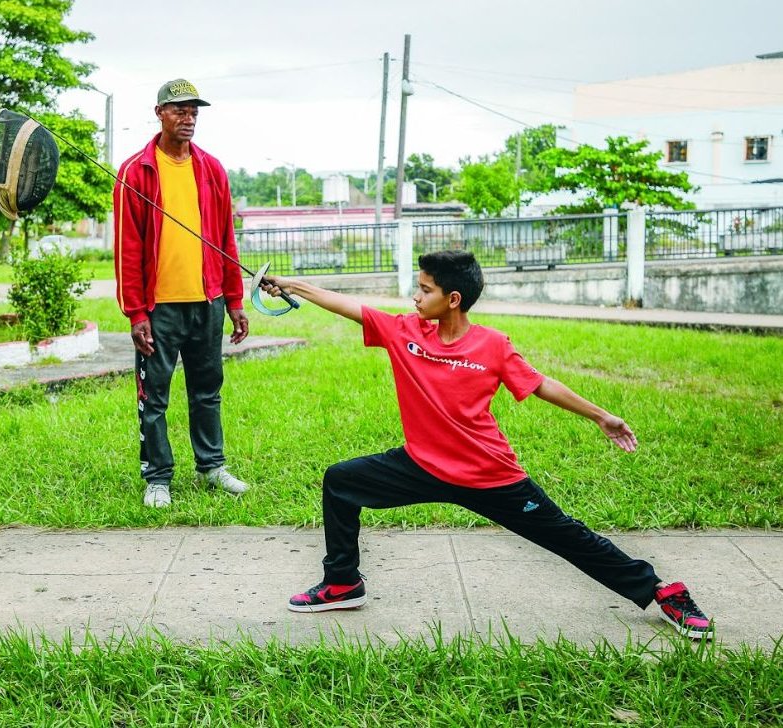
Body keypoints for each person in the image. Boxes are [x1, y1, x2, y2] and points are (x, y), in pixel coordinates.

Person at [262, 250, 714, 640]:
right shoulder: (405, 332)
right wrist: (290, 285)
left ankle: (662, 592)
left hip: (489, 474)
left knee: (569, 537)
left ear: (452, 299)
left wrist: (602, 415)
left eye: (423, 290)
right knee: (341, 481)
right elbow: (346, 305)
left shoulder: (492, 346)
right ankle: (342, 583)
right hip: (421, 464)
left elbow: (540, 385)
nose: (414, 298)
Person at [113, 78, 249, 508]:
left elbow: (225, 239)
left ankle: (212, 466)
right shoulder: (137, 171)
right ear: (159, 113)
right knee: (153, 397)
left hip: (206, 303)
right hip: (159, 309)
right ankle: (157, 477)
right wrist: (136, 314)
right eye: (179, 110)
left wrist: (234, 301)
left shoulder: (211, 170)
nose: (187, 118)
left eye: (193, 111)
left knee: (207, 390)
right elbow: (126, 249)